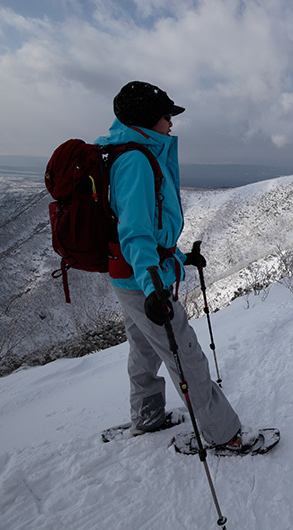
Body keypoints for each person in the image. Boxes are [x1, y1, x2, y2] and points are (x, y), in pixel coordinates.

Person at [95, 81, 243, 449]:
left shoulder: (125, 151)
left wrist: (179, 257)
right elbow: (135, 233)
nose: (171, 124)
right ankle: (223, 435)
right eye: (166, 116)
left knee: (144, 349)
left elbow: (145, 231)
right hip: (142, 280)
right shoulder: (135, 160)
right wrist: (153, 288)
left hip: (130, 275)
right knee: (186, 354)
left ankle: (148, 415)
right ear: (149, 119)